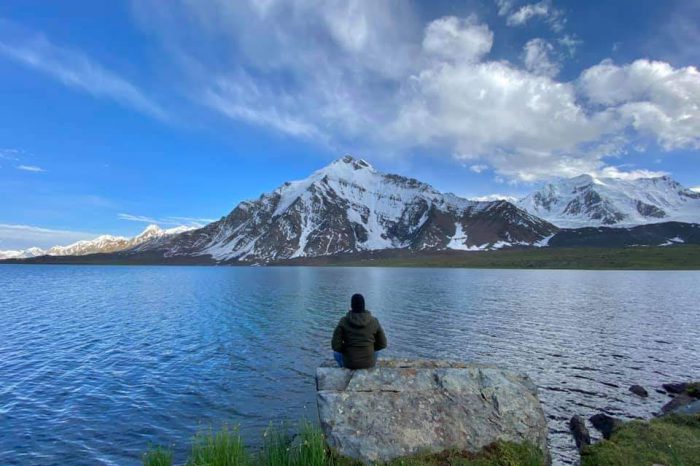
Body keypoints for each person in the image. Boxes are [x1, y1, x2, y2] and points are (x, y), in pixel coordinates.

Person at [331, 293, 387, 369]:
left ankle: (343, 368)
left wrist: (346, 349)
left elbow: (335, 346)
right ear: (363, 305)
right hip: (369, 364)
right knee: (376, 351)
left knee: (335, 353)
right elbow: (383, 344)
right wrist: (369, 348)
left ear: (351, 306)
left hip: (349, 363)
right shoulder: (374, 321)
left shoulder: (343, 321)